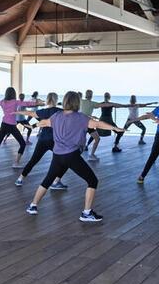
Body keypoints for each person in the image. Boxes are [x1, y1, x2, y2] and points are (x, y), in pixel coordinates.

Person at [24, 91, 122, 222]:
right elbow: (98, 124)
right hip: (71, 155)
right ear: (77, 103)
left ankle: (33, 206)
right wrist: (115, 128)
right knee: (92, 181)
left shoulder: (56, 116)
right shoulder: (81, 118)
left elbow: (44, 122)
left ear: (65, 102)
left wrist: (32, 125)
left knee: (47, 180)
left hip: (57, 155)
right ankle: (86, 213)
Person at [14, 92, 67, 190]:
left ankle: (20, 179)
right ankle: (56, 182)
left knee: (33, 160)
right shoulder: (61, 112)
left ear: (47, 100)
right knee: (65, 160)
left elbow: (30, 113)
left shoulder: (43, 111)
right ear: (56, 100)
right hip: (55, 141)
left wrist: (17, 112)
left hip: (42, 140)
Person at [0, 87, 35, 167]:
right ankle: (16, 163)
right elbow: (27, 103)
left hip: (4, 124)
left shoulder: (3, 101)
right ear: (14, 94)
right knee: (22, 144)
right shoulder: (15, 102)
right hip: (12, 126)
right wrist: (37, 103)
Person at [90, 92, 123, 159]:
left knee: (96, 133)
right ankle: (115, 146)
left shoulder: (102, 104)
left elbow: (94, 106)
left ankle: (86, 146)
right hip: (108, 120)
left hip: (103, 119)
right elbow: (119, 105)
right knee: (120, 132)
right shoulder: (110, 104)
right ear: (109, 97)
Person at [79, 89, 100, 157]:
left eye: (90, 94)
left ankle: (92, 154)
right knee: (81, 141)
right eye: (88, 94)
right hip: (82, 124)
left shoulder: (92, 103)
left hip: (89, 124)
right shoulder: (82, 101)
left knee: (97, 138)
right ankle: (78, 155)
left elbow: (85, 112)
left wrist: (91, 116)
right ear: (86, 94)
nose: (90, 95)